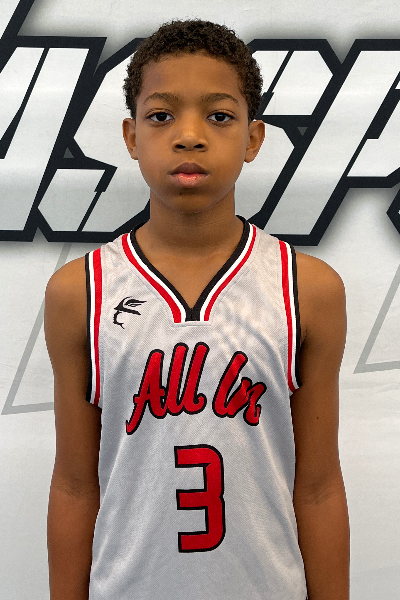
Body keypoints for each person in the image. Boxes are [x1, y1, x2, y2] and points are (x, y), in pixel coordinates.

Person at [45, 19, 349, 600]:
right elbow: (75, 487)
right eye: (162, 116)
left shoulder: (307, 289)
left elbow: (317, 489)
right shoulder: (79, 291)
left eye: (219, 116)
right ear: (131, 136)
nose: (189, 136)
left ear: (253, 139)